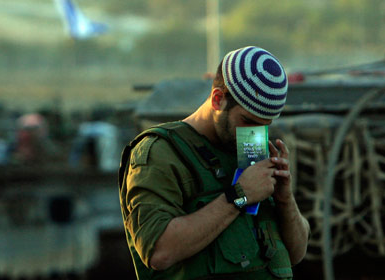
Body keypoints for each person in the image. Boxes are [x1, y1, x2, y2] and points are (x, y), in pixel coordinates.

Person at [119, 46, 310, 279]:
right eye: (248, 121)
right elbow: (159, 251)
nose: (256, 133)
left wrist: (284, 199)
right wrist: (239, 196)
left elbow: (297, 253)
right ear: (218, 99)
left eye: (264, 125)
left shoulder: (249, 151)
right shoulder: (162, 153)